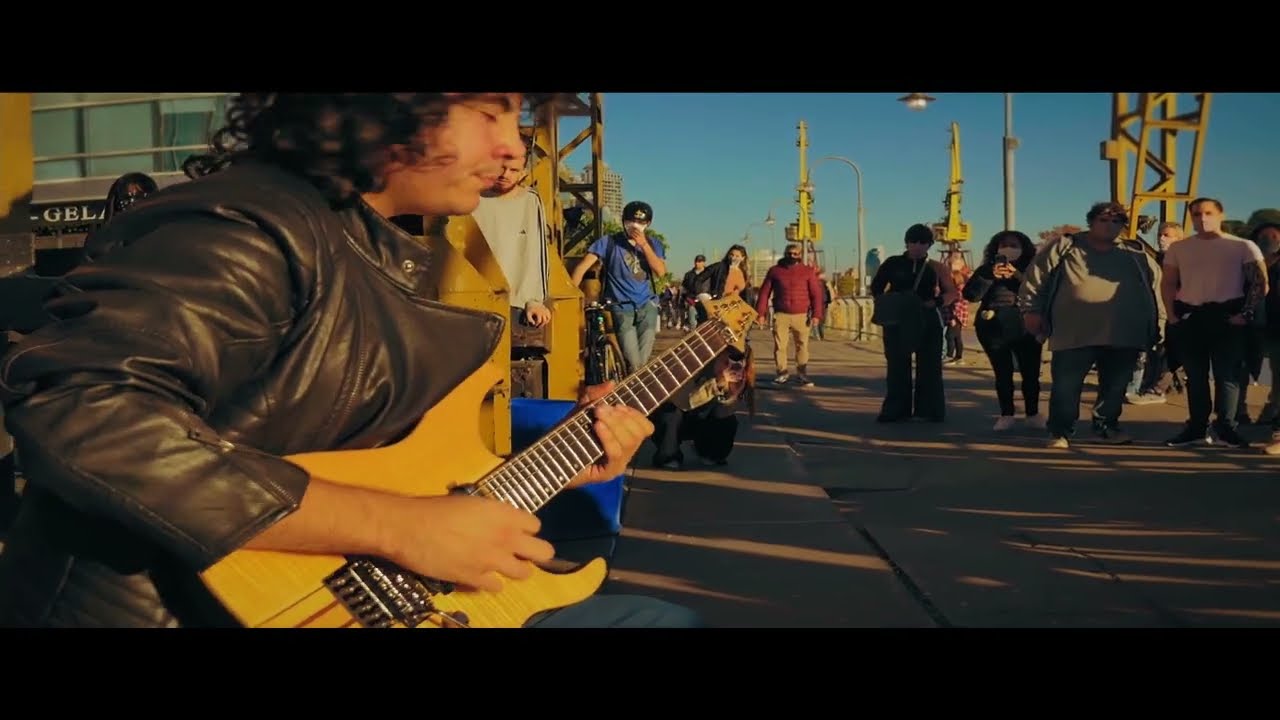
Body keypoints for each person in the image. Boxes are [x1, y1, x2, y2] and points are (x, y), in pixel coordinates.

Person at [0, 93, 700, 629]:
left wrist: (565, 455)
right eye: (489, 112)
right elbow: (84, 409)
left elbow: (363, 451)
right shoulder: (247, 227)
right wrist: (401, 529)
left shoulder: (382, 244)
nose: (512, 146)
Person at [1018, 201, 1164, 449]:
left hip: (1124, 332)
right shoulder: (1066, 246)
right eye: (1103, 220)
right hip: (1073, 331)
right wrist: (1031, 310)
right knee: (1066, 386)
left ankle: (1106, 427)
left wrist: (1159, 323)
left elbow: (1155, 289)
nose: (1110, 226)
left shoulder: (1136, 253)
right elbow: (1036, 278)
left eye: (1116, 221)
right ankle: (1060, 432)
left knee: (1115, 387)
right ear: (1091, 222)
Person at [1161, 198, 1268, 448]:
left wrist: (1246, 314)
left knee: (1227, 376)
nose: (1203, 218)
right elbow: (1168, 282)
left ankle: (1227, 428)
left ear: (1221, 214)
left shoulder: (1242, 246)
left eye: (1209, 213)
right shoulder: (1180, 248)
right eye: (1197, 214)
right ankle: (1197, 428)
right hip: (1191, 317)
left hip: (1228, 317)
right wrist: (1172, 315)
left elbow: (1260, 283)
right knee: (1195, 377)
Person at [868, 224, 959, 422]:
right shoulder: (892, 263)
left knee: (930, 367)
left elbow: (951, 292)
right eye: (913, 242)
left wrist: (935, 302)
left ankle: (929, 411)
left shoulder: (937, 267)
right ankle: (895, 410)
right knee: (897, 367)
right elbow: (876, 287)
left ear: (929, 245)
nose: (917, 246)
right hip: (897, 320)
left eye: (923, 242)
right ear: (906, 243)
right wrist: (889, 302)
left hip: (927, 318)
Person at [569, 201, 668, 374]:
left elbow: (660, 271)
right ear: (624, 221)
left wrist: (644, 245)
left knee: (643, 361)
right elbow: (582, 267)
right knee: (634, 361)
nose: (635, 226)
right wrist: (571, 295)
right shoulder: (609, 242)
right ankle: (634, 393)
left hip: (647, 305)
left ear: (648, 224)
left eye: (641, 223)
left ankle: (635, 393)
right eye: (631, 221)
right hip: (621, 307)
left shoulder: (654, 244)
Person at [962, 230, 1045, 431]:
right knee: (1002, 372)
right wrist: (989, 276)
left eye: (1014, 245)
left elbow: (1041, 291)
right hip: (993, 325)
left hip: (1026, 324)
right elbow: (971, 296)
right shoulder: (985, 270)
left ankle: (1032, 413)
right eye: (1004, 244)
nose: (1009, 248)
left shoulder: (1032, 269)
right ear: (996, 248)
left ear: (1024, 248)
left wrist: (1017, 275)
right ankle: (1006, 414)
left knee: (1031, 371)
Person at [471, 143, 552, 329]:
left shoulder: (531, 201)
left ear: (523, 173)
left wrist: (534, 300)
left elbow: (536, 253)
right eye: (501, 167)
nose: (505, 175)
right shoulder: (471, 197)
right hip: (473, 296)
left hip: (514, 302)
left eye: (513, 170)